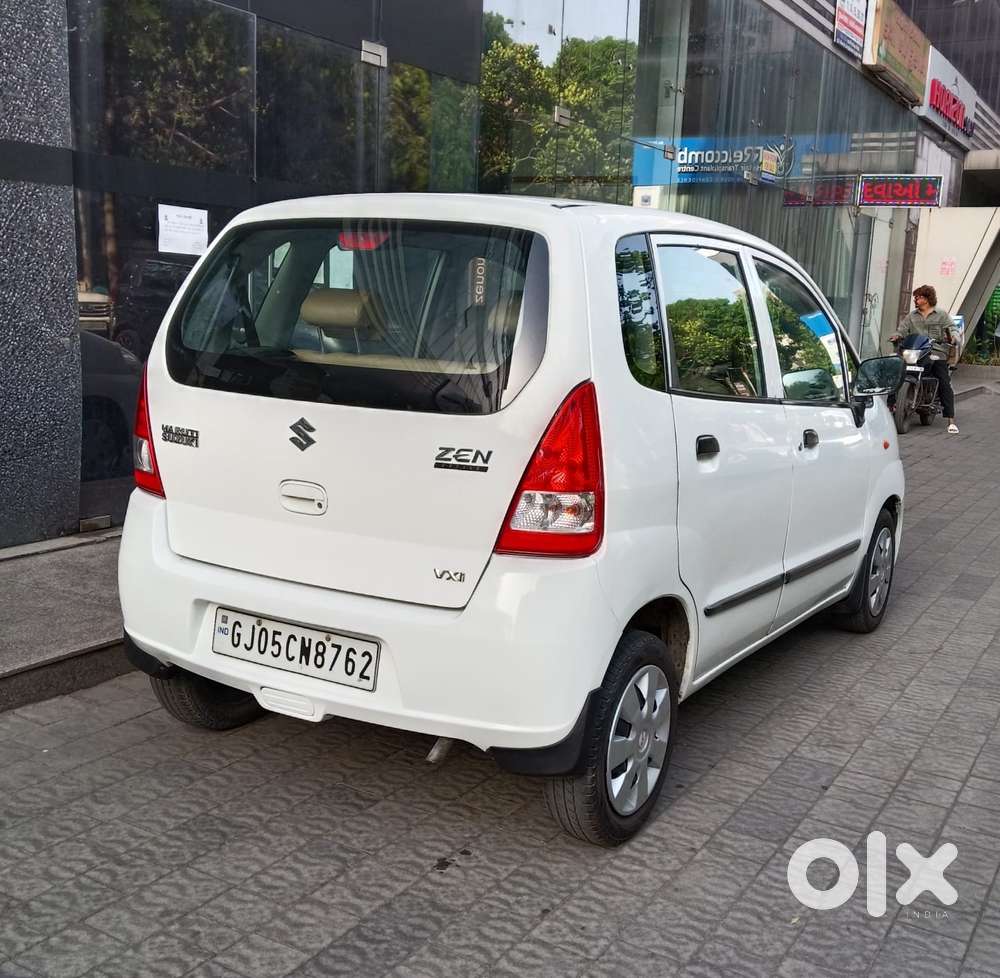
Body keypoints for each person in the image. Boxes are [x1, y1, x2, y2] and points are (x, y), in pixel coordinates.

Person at [891, 285, 959, 434]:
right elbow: (902, 329)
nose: (916, 299)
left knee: (943, 380)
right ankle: (892, 407)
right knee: (895, 372)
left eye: (919, 297)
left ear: (927, 299)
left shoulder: (941, 314)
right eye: (915, 297)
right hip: (916, 351)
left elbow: (953, 329)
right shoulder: (912, 316)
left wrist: (954, 337)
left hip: (936, 352)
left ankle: (951, 419)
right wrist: (897, 335)